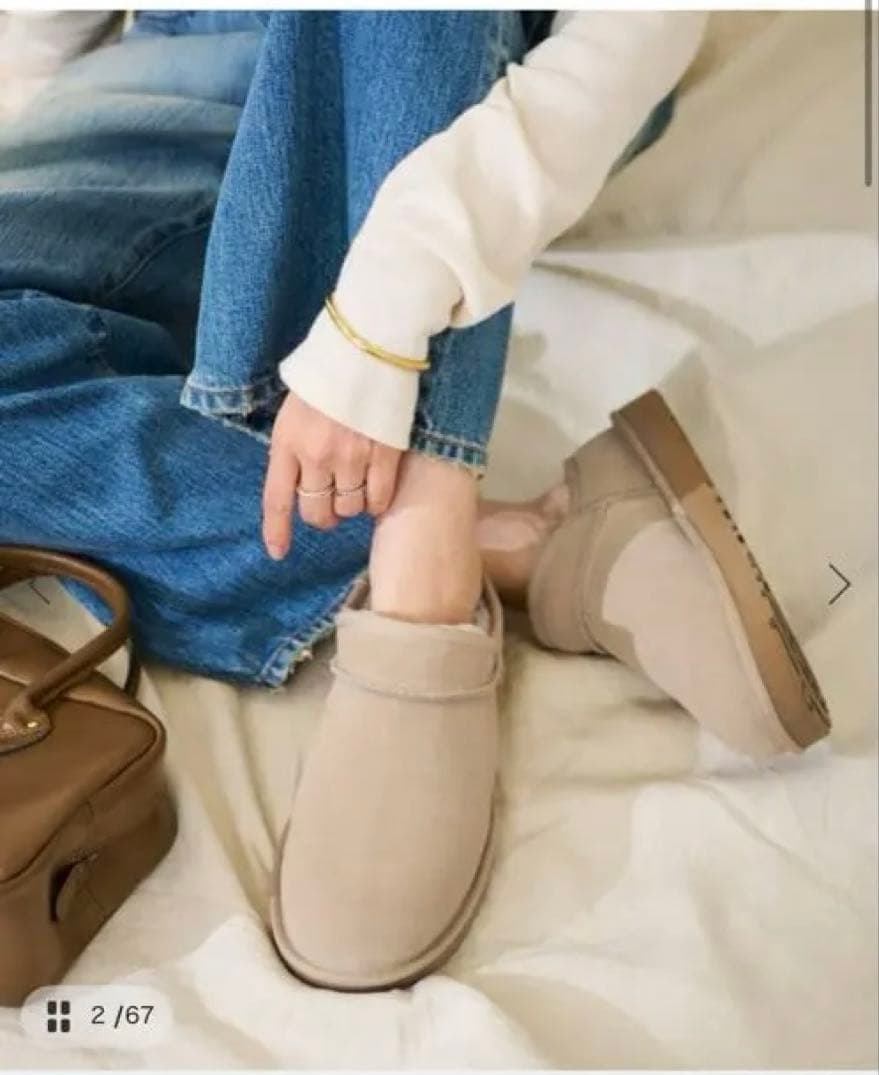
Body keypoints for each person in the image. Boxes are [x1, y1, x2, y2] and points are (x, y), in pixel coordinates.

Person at [0, 10, 838, 991]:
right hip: (155, 81)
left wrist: (386, 317)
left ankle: (422, 562)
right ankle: (529, 549)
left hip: (471, 67)